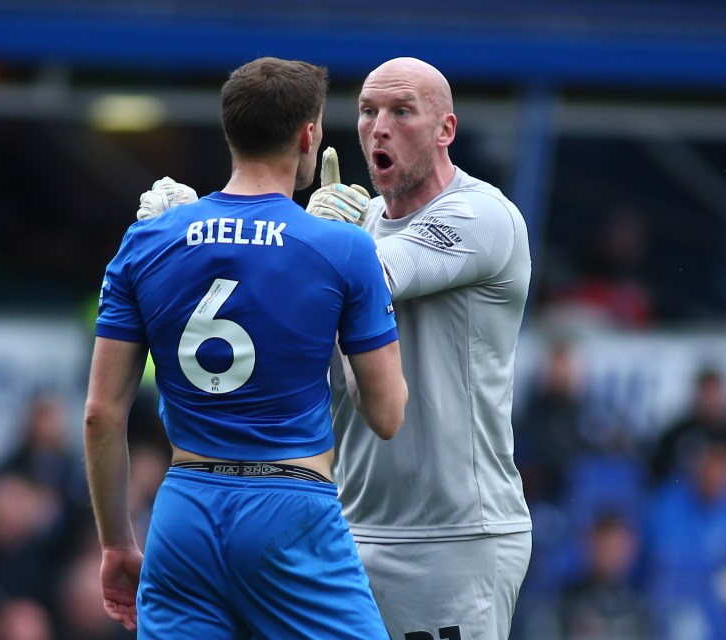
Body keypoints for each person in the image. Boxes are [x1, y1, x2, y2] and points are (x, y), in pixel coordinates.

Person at [136, 55, 532, 640]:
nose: (379, 127)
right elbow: (275, 292)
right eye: (368, 112)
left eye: (403, 112)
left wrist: (197, 234)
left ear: (446, 130)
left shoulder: (481, 217)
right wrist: (192, 232)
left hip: (451, 536)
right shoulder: (346, 228)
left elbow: (347, 275)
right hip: (339, 524)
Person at [83, 56, 407, 640]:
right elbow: (385, 414)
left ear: (231, 133)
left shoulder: (148, 239)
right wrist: (357, 285)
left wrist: (115, 543)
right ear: (308, 136)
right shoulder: (341, 247)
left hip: (183, 511)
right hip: (290, 507)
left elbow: (101, 415)